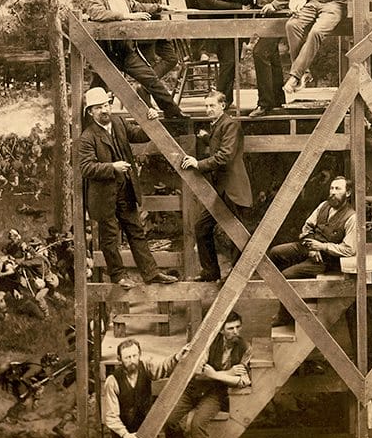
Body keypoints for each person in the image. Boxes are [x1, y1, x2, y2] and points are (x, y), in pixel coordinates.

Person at [77, 87, 179, 287]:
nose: (105, 110)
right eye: (99, 108)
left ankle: (151, 273)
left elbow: (140, 135)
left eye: (106, 105)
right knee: (110, 238)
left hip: (126, 191)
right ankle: (118, 276)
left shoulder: (119, 123)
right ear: (91, 112)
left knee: (136, 232)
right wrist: (112, 167)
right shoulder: (88, 137)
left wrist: (151, 120)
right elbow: (86, 168)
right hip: (104, 196)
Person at [85, 0, 185, 119]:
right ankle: (86, 125)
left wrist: (159, 7)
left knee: (151, 80)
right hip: (106, 53)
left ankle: (175, 115)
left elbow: (138, 6)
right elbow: (97, 13)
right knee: (97, 91)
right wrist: (127, 16)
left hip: (127, 50)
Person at [165, 311, 250, 438]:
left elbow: (243, 381)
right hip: (193, 388)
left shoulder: (244, 348)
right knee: (169, 419)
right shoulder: (208, 343)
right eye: (230, 328)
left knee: (198, 423)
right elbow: (197, 373)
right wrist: (228, 374)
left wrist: (215, 375)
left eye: (238, 327)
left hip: (215, 394)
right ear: (221, 330)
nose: (236, 332)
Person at [181, 92, 253, 282]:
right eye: (206, 106)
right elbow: (218, 144)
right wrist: (206, 138)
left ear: (223, 105)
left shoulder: (230, 124)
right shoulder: (218, 125)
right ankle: (211, 272)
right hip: (222, 190)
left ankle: (237, 277)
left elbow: (226, 155)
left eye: (212, 105)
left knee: (239, 234)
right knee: (202, 227)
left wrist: (199, 164)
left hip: (233, 189)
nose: (208, 110)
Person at [268, 176, 356, 326]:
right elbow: (307, 227)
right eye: (332, 188)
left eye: (338, 189)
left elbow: (349, 249)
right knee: (275, 252)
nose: (333, 192)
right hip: (309, 248)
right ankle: (295, 299)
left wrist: (322, 247)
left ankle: (285, 315)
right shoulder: (323, 206)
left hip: (325, 259)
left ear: (348, 193)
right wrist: (311, 247)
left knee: (287, 276)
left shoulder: (351, 217)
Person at [103, 337, 191, 438]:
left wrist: (177, 357)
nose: (132, 360)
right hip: (122, 429)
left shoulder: (146, 367)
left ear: (139, 354)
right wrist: (126, 435)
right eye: (127, 357)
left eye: (134, 355)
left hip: (144, 424)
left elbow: (163, 367)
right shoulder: (112, 381)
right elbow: (111, 416)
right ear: (120, 359)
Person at [192, 0, 256, 107]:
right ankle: (219, 100)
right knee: (229, 62)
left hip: (233, 27)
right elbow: (211, 4)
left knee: (231, 62)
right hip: (213, 29)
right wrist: (238, 8)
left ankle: (225, 100)